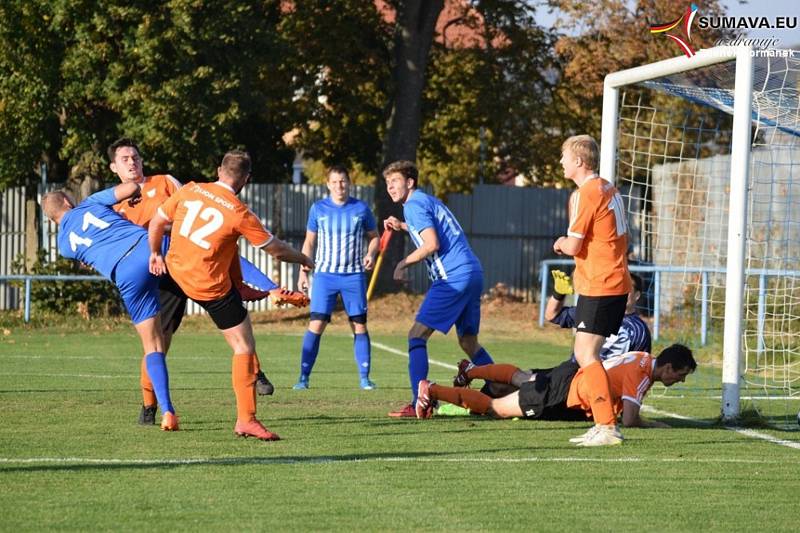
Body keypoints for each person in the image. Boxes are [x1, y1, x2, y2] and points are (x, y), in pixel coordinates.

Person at [106, 138, 306, 425]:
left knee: (235, 302)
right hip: (169, 269)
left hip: (187, 259)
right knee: (160, 342)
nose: (132, 162)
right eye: (125, 159)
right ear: (114, 167)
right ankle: (149, 406)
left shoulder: (166, 183)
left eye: (135, 157)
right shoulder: (114, 205)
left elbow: (174, 214)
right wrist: (150, 253)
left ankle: (256, 370)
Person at [148, 149, 314, 441]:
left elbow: (157, 221)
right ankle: (246, 420)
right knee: (244, 346)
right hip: (208, 286)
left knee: (156, 341)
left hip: (174, 273)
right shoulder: (238, 212)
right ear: (246, 179)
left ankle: (149, 408)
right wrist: (303, 258)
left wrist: (154, 253)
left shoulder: (191, 189)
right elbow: (274, 249)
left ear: (218, 169)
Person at [42, 183, 179, 431]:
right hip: (143, 247)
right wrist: (136, 191)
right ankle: (257, 285)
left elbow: (91, 254)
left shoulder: (64, 247)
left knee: (153, 345)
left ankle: (167, 410)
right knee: (201, 251)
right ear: (66, 201)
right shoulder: (89, 203)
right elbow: (130, 188)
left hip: (125, 275)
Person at [382, 160, 495, 418]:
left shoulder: (412, 205)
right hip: (472, 272)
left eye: (395, 181)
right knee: (468, 341)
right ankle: (502, 386)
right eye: (387, 183)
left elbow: (431, 243)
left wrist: (403, 263)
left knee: (416, 336)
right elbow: (436, 232)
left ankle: (418, 402)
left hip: (453, 277)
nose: (390, 187)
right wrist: (402, 227)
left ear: (410, 182)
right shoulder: (427, 201)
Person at [415, 344, 696, 446]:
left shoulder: (642, 357)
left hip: (570, 377)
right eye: (681, 374)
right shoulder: (642, 374)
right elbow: (632, 419)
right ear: (669, 367)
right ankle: (432, 391)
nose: (680, 380)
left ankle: (472, 371)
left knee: (521, 379)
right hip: (565, 392)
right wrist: (654, 424)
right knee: (496, 407)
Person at [552, 134, 632, 446]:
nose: (561, 162)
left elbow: (573, 245)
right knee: (585, 352)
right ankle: (604, 424)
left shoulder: (589, 192)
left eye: (564, 157)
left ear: (579, 161)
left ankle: (608, 426)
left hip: (603, 282)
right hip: (607, 280)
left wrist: (560, 243)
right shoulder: (606, 187)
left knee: (586, 353)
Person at [292, 165, 379, 390]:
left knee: (359, 325)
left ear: (349, 183)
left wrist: (371, 253)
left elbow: (375, 237)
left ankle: (364, 379)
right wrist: (303, 270)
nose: (340, 185)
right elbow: (309, 242)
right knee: (316, 323)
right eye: (335, 181)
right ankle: (303, 377)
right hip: (324, 276)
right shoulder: (318, 209)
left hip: (353, 276)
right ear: (328, 184)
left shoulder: (361, 208)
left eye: (343, 181)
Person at [546, 271, 651, 358]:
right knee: (531, 376)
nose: (621, 291)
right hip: (573, 373)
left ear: (637, 295)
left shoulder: (639, 330)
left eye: (626, 288)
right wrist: (558, 293)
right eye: (618, 286)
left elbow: (639, 368)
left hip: (604, 379)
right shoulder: (594, 312)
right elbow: (552, 315)